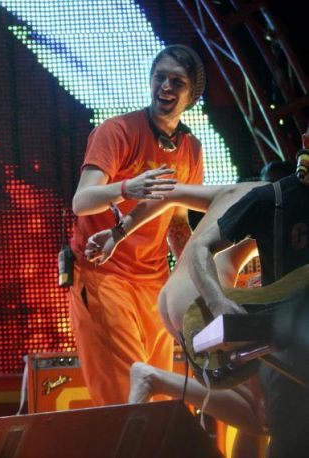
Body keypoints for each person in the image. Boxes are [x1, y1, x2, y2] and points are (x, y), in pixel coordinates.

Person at [86, 182, 268, 457]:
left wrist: (118, 234)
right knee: (263, 417)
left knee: (251, 412)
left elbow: (168, 194)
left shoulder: (234, 191)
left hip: (172, 295)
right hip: (200, 298)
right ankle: (155, 379)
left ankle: (156, 380)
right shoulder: (282, 200)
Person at [69, 44, 206, 405]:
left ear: (192, 95)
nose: (166, 86)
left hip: (154, 283)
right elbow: (81, 201)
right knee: (128, 395)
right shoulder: (116, 131)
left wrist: (199, 276)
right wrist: (127, 188)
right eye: (160, 77)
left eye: (177, 81)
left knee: (158, 397)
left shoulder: (191, 150)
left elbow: (177, 225)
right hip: (103, 275)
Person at [186, 129, 309, 457]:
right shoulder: (273, 199)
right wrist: (218, 302)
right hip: (289, 359)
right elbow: (198, 247)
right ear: (306, 142)